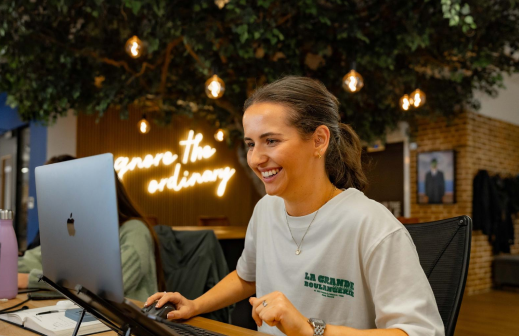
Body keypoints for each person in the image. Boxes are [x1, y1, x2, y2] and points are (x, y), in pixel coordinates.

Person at [146, 76, 444, 336]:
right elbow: (246, 277)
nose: (256, 159)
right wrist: (194, 305)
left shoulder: (372, 225)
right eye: (251, 144)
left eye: (271, 141)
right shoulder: (266, 210)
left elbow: (419, 332)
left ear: (318, 140)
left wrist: (310, 330)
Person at [18, 155, 165, 302]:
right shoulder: (83, 231)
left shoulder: (135, 230)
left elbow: (108, 286)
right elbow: (38, 259)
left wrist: (30, 279)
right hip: (87, 314)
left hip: (127, 320)